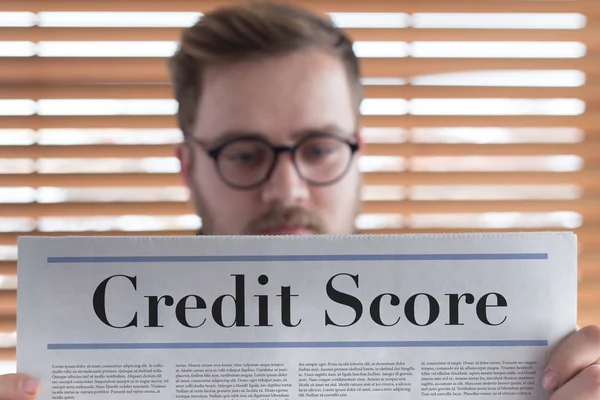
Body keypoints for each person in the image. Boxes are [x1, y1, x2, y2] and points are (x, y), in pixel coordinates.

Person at [5, 2, 599, 399]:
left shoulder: (499, 347)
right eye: (243, 153)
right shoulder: (75, 362)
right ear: (187, 168)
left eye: (317, 149)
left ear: (356, 152)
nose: (286, 189)